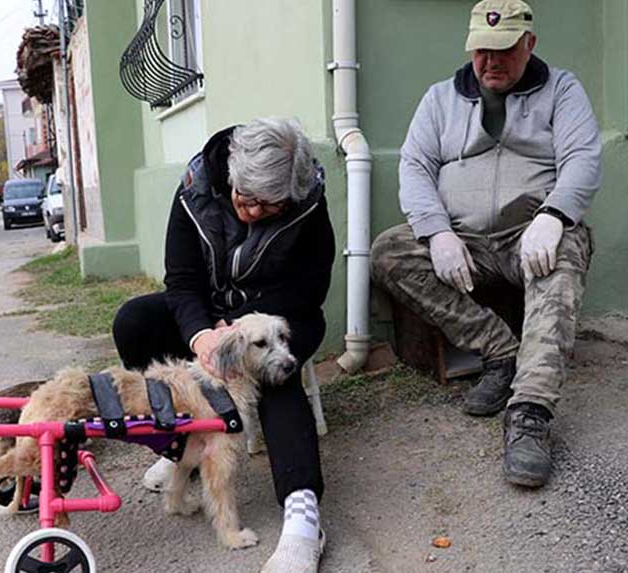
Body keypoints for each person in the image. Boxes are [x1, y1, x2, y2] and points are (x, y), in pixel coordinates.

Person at [370, 0, 601, 488]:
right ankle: (498, 350)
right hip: (465, 238)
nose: (491, 63)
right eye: (481, 51)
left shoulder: (563, 89)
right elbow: (414, 167)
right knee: (389, 251)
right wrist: (436, 232)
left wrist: (555, 215)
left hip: (530, 234)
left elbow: (583, 159)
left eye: (504, 50)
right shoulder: (439, 99)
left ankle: (530, 412)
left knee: (565, 254)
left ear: (529, 44)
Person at [112, 117, 333, 572]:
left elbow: (309, 288)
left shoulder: (307, 203)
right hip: (209, 315)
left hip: (281, 317)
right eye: (243, 200)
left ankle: (302, 513)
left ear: (289, 197)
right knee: (134, 321)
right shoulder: (195, 188)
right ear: (230, 174)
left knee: (273, 367)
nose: (250, 212)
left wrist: (242, 330)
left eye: (266, 207)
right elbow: (181, 279)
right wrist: (203, 333)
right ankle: (181, 448)